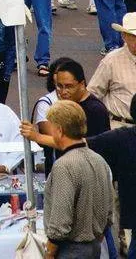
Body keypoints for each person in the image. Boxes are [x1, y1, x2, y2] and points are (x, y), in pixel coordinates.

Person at [42, 100, 113, 259]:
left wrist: (49, 252)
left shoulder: (64, 166)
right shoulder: (99, 160)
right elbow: (109, 212)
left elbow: (60, 221)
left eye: (52, 128)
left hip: (70, 249)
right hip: (95, 246)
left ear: (59, 130)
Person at [87, 92, 136, 259]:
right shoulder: (123, 137)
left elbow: (81, 144)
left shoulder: (123, 137)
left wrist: (38, 137)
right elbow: (84, 144)